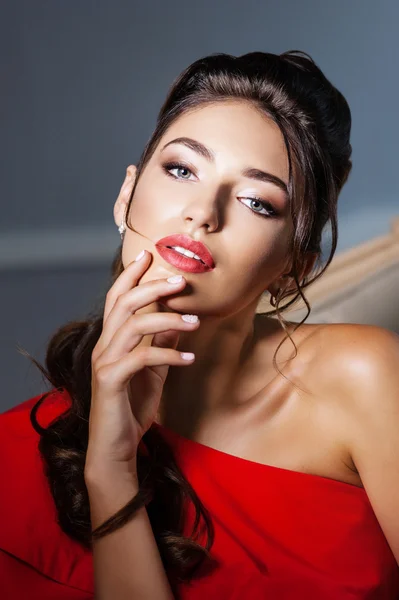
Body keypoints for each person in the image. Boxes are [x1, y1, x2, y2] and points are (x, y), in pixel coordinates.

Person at [1, 50, 399, 600]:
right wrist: (111, 467)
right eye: (182, 169)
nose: (203, 212)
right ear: (126, 195)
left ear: (294, 266)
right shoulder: (14, 454)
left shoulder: (365, 377)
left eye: (258, 202)